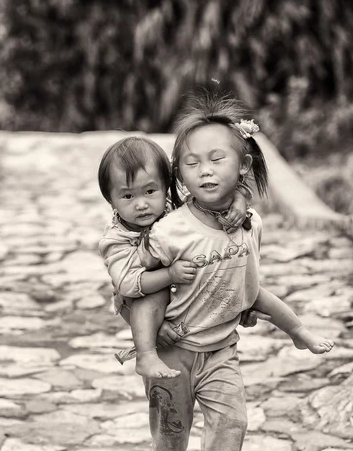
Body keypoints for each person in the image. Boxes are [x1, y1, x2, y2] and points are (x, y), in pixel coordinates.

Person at [136, 92, 333, 451]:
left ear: (242, 166)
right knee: (172, 432)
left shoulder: (252, 225)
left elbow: (252, 286)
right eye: (190, 163)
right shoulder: (168, 232)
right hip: (173, 352)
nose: (204, 170)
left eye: (216, 159)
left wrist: (292, 327)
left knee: (233, 423)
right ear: (178, 176)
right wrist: (148, 334)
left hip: (222, 351)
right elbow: (135, 291)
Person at [98, 136, 250, 380]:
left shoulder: (175, 203)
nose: (141, 204)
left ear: (167, 184)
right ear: (110, 199)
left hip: (185, 296)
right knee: (152, 293)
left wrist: (240, 200)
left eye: (149, 191)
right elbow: (128, 284)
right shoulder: (116, 239)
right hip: (137, 299)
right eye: (127, 196)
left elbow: (213, 192)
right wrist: (168, 275)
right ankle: (146, 354)